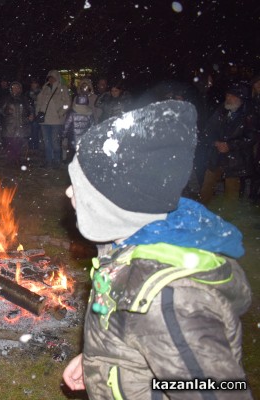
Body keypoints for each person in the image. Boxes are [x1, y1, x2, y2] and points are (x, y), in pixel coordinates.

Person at [62, 100, 252, 399]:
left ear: (111, 205)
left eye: (79, 186)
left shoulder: (171, 299)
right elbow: (137, 336)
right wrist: (105, 361)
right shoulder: (127, 244)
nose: (69, 192)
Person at [198, 83, 255, 204]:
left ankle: (229, 218)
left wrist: (230, 146)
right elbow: (208, 129)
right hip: (217, 156)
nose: (228, 98)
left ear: (241, 98)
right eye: (227, 95)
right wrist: (215, 142)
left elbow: (251, 137)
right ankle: (200, 213)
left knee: (232, 193)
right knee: (206, 187)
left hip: (236, 160)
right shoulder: (221, 110)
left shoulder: (249, 114)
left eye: (232, 96)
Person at [36, 70, 71, 167]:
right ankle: (48, 161)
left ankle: (56, 161)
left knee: (55, 142)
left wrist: (60, 113)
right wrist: (38, 112)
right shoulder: (45, 88)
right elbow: (39, 102)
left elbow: (67, 103)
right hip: (44, 120)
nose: (51, 79)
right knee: (47, 142)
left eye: (53, 77)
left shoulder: (62, 88)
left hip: (56, 120)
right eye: (49, 77)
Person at [0, 81, 34, 166]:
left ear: (20, 89)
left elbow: (30, 108)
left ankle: (17, 160)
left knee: (18, 143)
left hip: (21, 125)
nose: (15, 89)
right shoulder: (7, 98)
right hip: (10, 125)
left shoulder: (24, 99)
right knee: (10, 143)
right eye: (13, 87)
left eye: (17, 87)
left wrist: (31, 115)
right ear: (11, 89)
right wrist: (9, 116)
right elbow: (1, 110)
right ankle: (11, 160)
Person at [64, 94, 94, 163]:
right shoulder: (89, 112)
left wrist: (64, 135)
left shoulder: (72, 112)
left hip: (73, 138)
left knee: (73, 155)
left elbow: (67, 125)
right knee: (82, 155)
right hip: (84, 139)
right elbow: (93, 126)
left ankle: (74, 169)